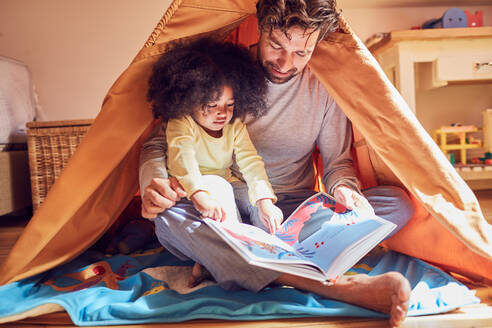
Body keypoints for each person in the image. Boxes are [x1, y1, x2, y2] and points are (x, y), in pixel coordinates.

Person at [139, 1, 415, 326]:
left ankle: (230, 261)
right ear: (260, 25)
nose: (286, 63)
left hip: (293, 210)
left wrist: (345, 190)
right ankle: (324, 283)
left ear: (317, 43)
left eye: (302, 52)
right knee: (169, 216)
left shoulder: (325, 86)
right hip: (225, 207)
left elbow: (337, 164)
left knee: (397, 205)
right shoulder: (224, 75)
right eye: (276, 45)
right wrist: (153, 182)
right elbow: (163, 142)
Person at [146, 38, 283, 232]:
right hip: (190, 189)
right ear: (189, 99)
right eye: (212, 105)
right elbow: (183, 162)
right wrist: (200, 195)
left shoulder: (235, 126)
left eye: (230, 104)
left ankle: (273, 241)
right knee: (220, 190)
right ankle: (236, 240)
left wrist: (265, 201)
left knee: (255, 203)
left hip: (228, 182)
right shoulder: (181, 123)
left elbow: (251, 162)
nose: (222, 112)